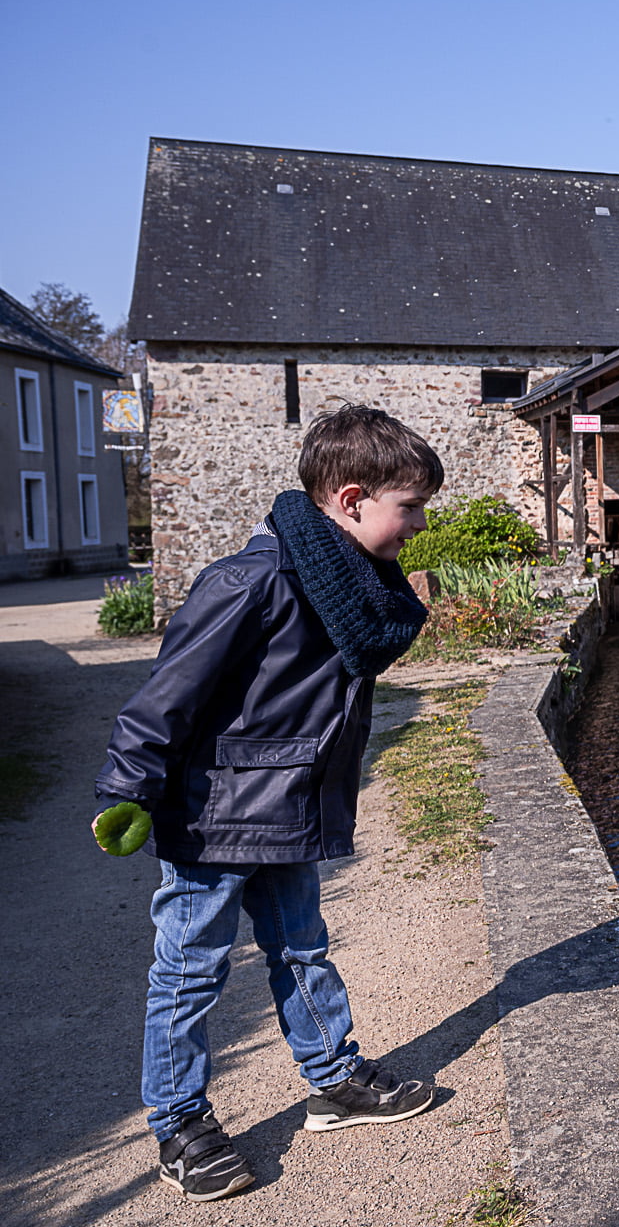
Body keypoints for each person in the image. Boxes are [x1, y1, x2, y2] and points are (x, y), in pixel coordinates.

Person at [93, 404, 444, 1201]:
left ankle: (333, 1080)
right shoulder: (251, 581)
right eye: (410, 507)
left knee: (300, 949)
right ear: (351, 500)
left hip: (287, 809)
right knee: (190, 973)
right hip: (213, 818)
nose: (419, 525)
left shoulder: (351, 587)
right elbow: (165, 699)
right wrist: (125, 788)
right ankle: (178, 1124)